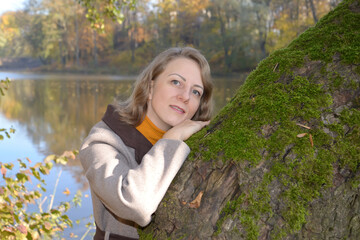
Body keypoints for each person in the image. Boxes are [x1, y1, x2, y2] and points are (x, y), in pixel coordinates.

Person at [79, 47, 214, 240]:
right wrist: (171, 140)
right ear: (150, 88)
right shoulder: (103, 141)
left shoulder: (200, 148)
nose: (185, 96)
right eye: (176, 82)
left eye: (196, 92)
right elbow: (135, 204)